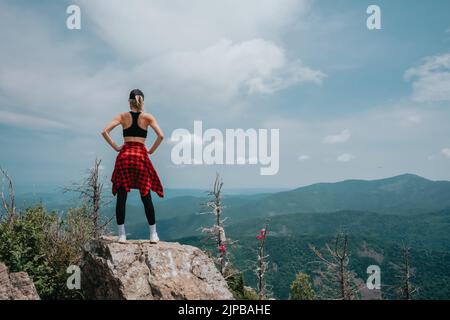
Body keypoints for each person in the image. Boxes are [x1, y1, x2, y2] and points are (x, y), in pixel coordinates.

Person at [101, 89, 164, 243]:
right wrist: (151, 151)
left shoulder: (122, 116)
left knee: (122, 196)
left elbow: (104, 131)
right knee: (145, 195)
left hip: (125, 157)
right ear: (142, 101)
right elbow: (161, 136)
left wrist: (116, 147)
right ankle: (153, 234)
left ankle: (122, 235)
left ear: (129, 101)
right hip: (140, 157)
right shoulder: (147, 117)